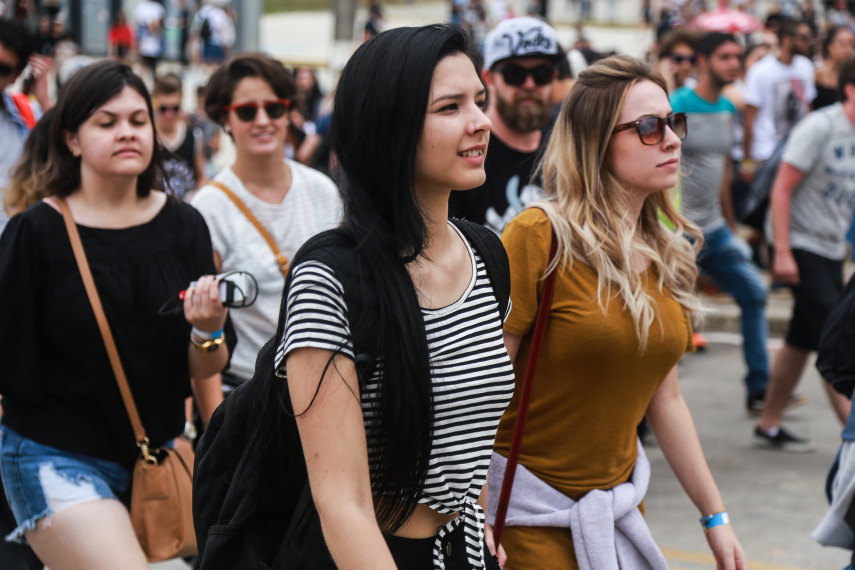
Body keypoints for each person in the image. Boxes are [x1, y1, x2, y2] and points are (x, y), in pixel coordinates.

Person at [265, 24, 512, 569]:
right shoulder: (329, 278)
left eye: (480, 100)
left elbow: (472, 437)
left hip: (466, 550)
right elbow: (343, 504)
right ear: (389, 127)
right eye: (450, 107)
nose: (480, 123)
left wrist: (480, 521)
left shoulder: (488, 257)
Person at [490, 55, 747, 570]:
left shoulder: (666, 249)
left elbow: (666, 399)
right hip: (522, 520)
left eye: (673, 123)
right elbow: (480, 388)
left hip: (615, 517)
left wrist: (715, 516)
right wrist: (473, 519)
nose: (673, 139)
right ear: (596, 140)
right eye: (649, 128)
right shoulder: (540, 236)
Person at [0, 60, 235, 569]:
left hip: (155, 456)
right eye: (107, 123)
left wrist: (208, 328)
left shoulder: (184, 226)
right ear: (73, 139)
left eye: (137, 120)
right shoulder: (35, 234)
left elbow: (206, 368)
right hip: (53, 452)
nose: (127, 132)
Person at [191, 53, 340, 405]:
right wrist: (219, 436)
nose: (262, 121)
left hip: (327, 387)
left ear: (288, 112)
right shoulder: (208, 208)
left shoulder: (322, 190)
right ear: (225, 118)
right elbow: (204, 328)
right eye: (246, 111)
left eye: (273, 109)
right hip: (247, 394)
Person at [670, 32, 781, 415]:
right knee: (665, 317)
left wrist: (731, 226)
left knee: (754, 293)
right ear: (702, 61)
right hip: (678, 233)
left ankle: (759, 389)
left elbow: (724, 174)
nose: (734, 63)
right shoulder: (677, 106)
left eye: (738, 56)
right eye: (725, 57)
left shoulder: (727, 109)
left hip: (716, 228)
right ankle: (647, 414)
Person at [754, 57, 855, 452]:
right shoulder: (821, 127)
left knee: (802, 337)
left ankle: (769, 422)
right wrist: (782, 251)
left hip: (830, 247)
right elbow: (780, 189)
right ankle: (852, 433)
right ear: (850, 89)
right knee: (837, 340)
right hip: (799, 243)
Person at [448, 16, 561, 235]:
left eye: (541, 74)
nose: (529, 84)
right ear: (488, 78)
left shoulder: (565, 146)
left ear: (554, 76)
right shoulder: (466, 150)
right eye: (514, 74)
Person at [740, 18, 815, 185]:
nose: (809, 42)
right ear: (787, 39)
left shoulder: (806, 66)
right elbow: (749, 119)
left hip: (797, 152)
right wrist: (747, 162)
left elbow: (807, 108)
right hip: (765, 153)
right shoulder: (760, 71)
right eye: (803, 37)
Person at [0, 19, 41, 237]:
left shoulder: (29, 113)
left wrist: (43, 95)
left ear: (17, 74)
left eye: (2, 69)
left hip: (12, 249)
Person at [153, 73, 206, 199]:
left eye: (175, 108)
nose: (169, 115)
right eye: (163, 109)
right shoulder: (147, 137)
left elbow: (202, 177)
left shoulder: (194, 136)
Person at [813, 26, 855, 110]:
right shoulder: (817, 75)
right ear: (829, 46)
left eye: (852, 45)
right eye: (842, 44)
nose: (848, 50)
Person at [192, 0, 235, 66]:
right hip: (215, 41)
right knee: (214, 61)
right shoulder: (217, 13)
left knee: (209, 61)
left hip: (208, 40)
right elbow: (221, 27)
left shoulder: (203, 11)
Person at [655, 29, 699, 93]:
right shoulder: (651, 87)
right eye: (679, 59)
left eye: (692, 60)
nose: (686, 66)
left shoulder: (693, 87)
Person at [134, 0, 164, 79]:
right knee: (144, 66)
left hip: (155, 46)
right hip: (145, 44)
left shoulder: (158, 7)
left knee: (154, 67)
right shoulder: (141, 7)